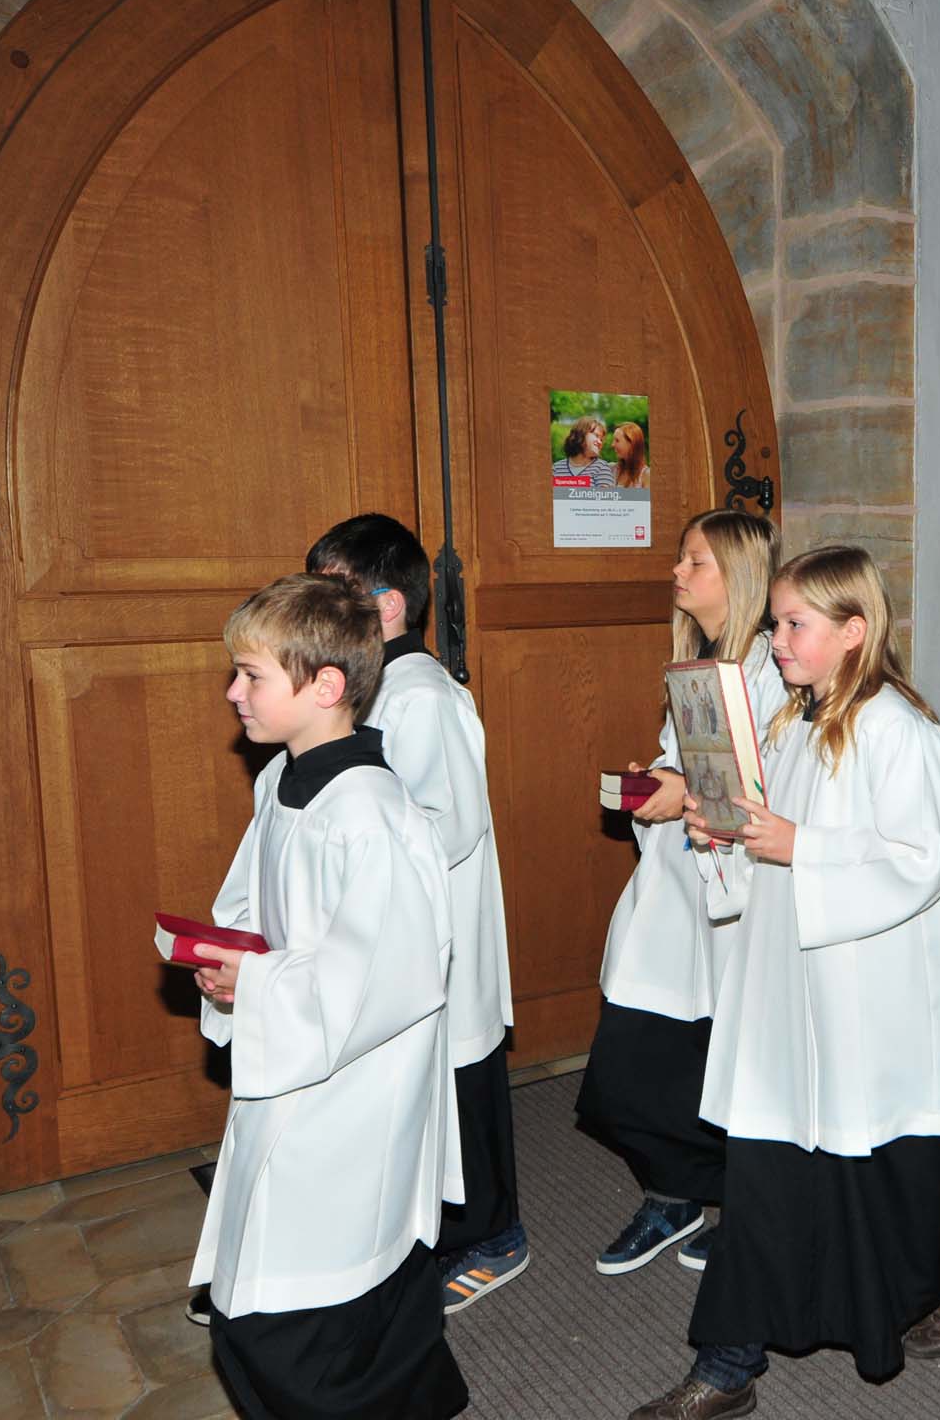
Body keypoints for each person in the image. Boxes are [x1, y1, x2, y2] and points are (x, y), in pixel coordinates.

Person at [631, 546, 940, 1420]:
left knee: (893, 1175)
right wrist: (722, 832)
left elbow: (922, 861)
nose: (778, 638)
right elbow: (768, 830)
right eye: (778, 622)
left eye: (795, 624)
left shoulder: (897, 730)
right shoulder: (796, 721)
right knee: (763, 1165)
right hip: (787, 986)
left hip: (871, 998)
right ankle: (727, 1364)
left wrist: (803, 848)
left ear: (853, 631)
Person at [189, 573, 469, 1420]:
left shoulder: (373, 814)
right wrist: (227, 957)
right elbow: (248, 902)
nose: (234, 693)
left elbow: (388, 973)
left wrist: (262, 983)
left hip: (355, 1087)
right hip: (296, 1058)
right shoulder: (282, 781)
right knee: (294, 1275)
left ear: (327, 687)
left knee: (306, 1300)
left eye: (251, 675)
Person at [304, 513, 526, 1315]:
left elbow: (449, 821)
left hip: (442, 934)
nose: (315, 608)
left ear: (388, 606)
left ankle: (493, 1235)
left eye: (333, 592)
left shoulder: (423, 695)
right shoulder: (366, 690)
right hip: (392, 926)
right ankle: (422, 1229)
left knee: (462, 1083)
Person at [576, 509, 785, 1277]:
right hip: (674, 887)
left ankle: (739, 1201)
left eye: (694, 562)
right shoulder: (693, 663)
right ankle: (676, 1191)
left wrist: (678, 786)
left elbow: (757, 789)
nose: (677, 572)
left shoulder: (770, 671)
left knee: (729, 1060)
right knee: (634, 1065)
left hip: (735, 893)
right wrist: (658, 778)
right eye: (680, 559)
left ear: (738, 575)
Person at [553, 415, 611, 485]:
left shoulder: (602, 467)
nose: (600, 442)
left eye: (601, 439)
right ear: (581, 434)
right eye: (596, 436)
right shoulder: (556, 468)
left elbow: (605, 495)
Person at [612, 422, 653, 489]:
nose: (612, 445)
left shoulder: (646, 475)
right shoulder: (611, 469)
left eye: (617, 440)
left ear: (631, 444)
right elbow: (588, 477)